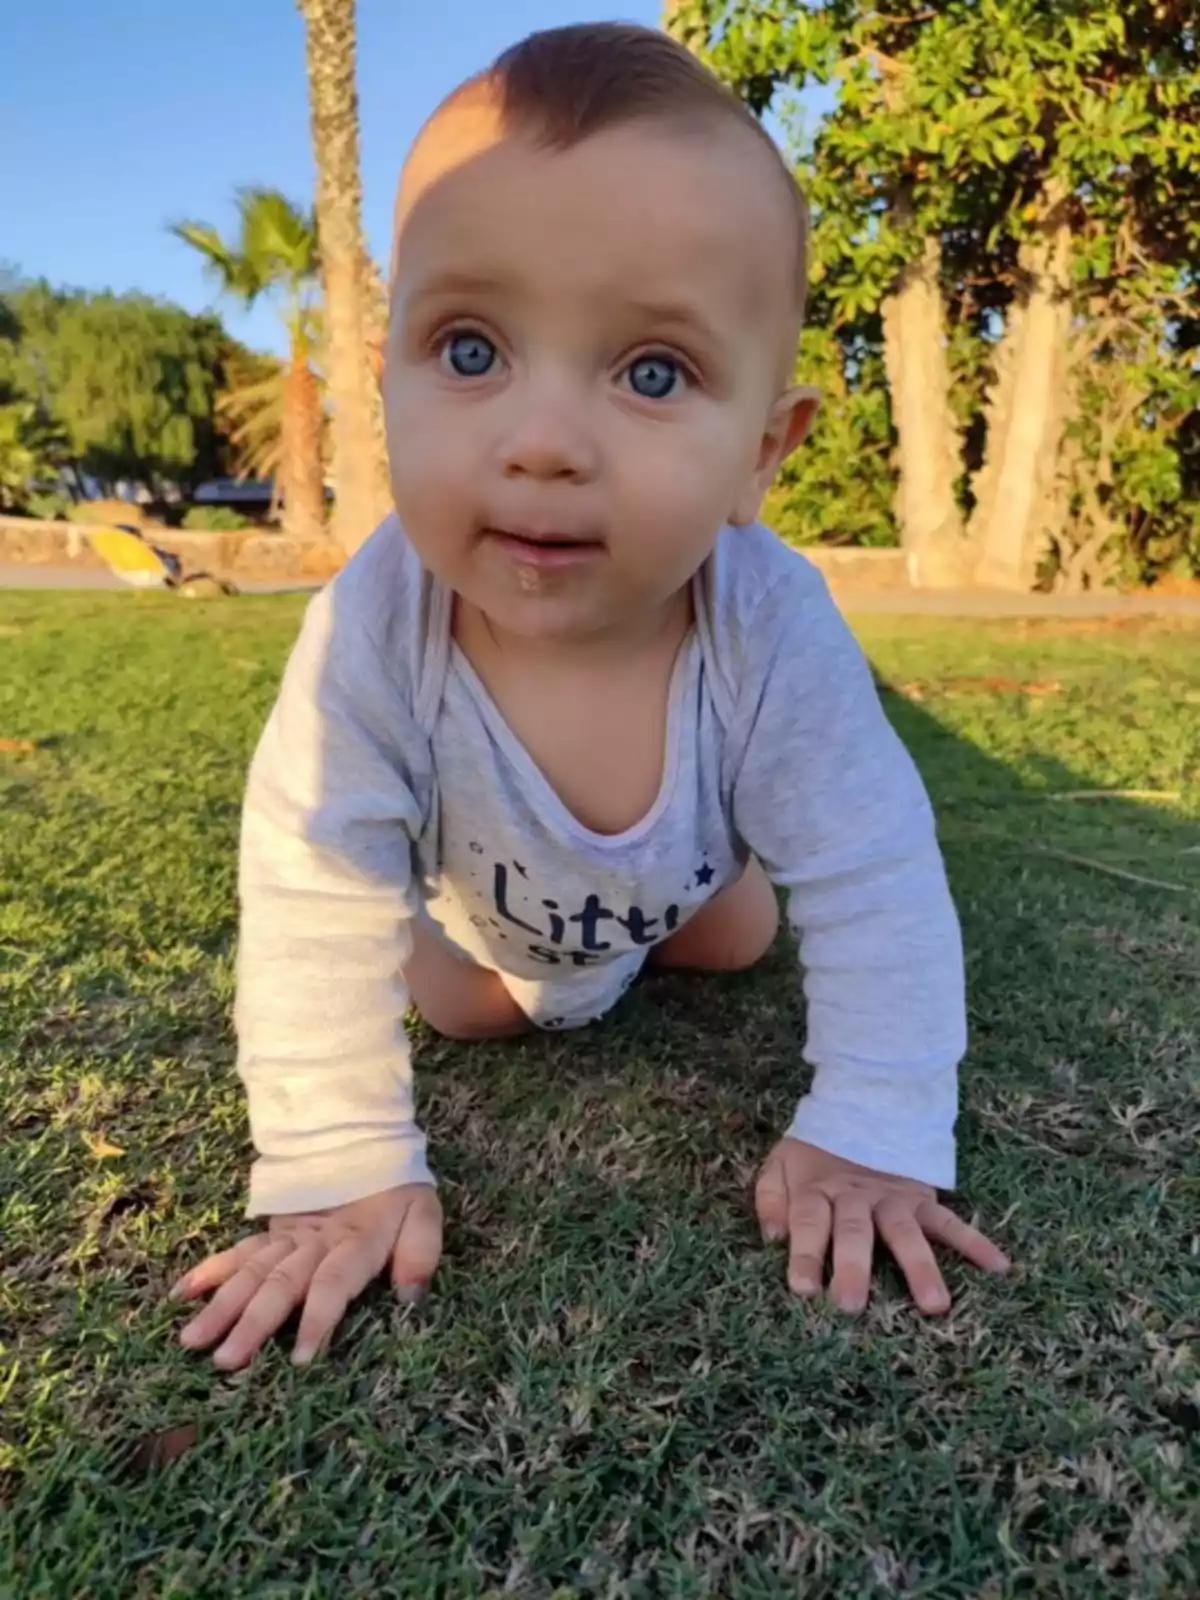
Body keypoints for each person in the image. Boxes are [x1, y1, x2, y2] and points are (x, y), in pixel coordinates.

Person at [170, 23, 1009, 1370]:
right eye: (468, 350)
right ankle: (530, 960)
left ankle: (685, 914)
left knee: (739, 934)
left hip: (680, 891)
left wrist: (876, 1125)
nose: (545, 442)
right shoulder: (378, 628)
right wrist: (333, 1161)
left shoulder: (771, 624)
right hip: (495, 933)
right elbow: (313, 879)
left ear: (760, 454)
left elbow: (874, 872)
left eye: (653, 372)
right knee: (462, 1006)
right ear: (384, 379)